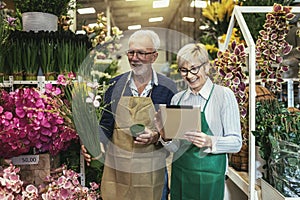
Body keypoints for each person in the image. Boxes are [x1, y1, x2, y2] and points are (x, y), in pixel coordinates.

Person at [82, 29, 177, 200]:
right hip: (119, 169)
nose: (134, 58)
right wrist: (94, 143)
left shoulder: (168, 88)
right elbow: (106, 124)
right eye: (131, 52)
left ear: (154, 56)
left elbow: (174, 136)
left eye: (141, 53)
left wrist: (156, 136)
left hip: (152, 169)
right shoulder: (114, 85)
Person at [155, 43, 242, 200]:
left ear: (206, 67)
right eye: (184, 70)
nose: (189, 75)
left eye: (194, 68)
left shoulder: (223, 96)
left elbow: (236, 143)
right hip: (181, 175)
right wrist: (165, 136)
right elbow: (176, 148)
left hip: (210, 176)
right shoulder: (178, 99)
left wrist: (210, 141)